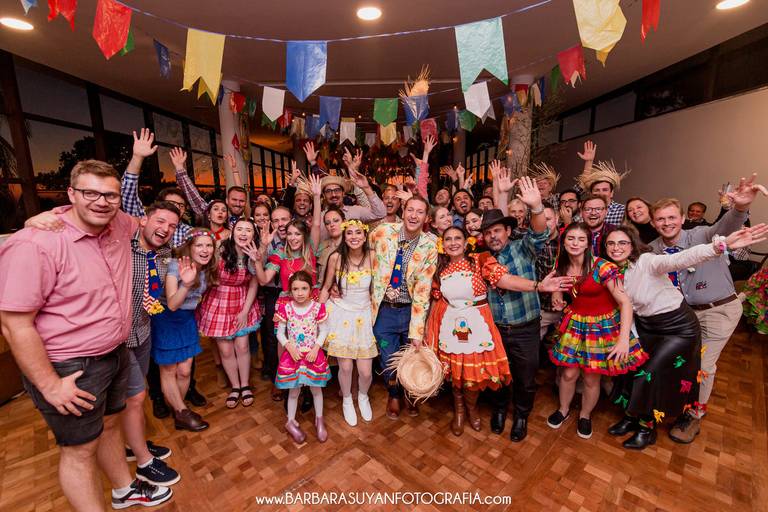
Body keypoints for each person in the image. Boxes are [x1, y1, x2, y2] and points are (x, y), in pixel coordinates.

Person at [0, 159, 172, 510]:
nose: (101, 202)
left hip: (116, 352)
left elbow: (150, 219)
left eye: (110, 195)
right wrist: (50, 385)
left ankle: (124, 489)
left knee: (109, 426)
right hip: (70, 367)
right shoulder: (36, 243)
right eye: (90, 193)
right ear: (71, 194)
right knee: (79, 451)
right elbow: (14, 323)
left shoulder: (121, 224)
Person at [604, 224, 767, 449]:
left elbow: (681, 259)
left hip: (678, 328)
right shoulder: (611, 272)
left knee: (649, 374)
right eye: (611, 243)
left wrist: (720, 246)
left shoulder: (647, 261)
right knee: (634, 369)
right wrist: (629, 338)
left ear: (632, 245)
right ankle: (631, 417)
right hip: (648, 327)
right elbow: (627, 308)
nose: (616, 248)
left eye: (622, 242)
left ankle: (646, 428)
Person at [648, 176, 764, 443]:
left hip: (719, 310)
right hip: (683, 315)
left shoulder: (701, 235)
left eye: (672, 217)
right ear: (653, 223)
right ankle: (677, 402)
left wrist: (740, 208)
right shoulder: (652, 250)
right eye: (660, 219)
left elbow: (726, 226)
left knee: (704, 365)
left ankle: (694, 415)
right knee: (681, 361)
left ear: (681, 218)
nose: (667, 223)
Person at [425, 226, 570, 437]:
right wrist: (429, 330)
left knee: (473, 374)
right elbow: (436, 300)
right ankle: (459, 412)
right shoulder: (439, 268)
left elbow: (505, 280)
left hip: (477, 327)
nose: (453, 243)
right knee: (455, 372)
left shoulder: (480, 260)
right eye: (448, 239)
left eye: (458, 238)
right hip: (450, 327)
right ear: (442, 244)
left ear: (466, 243)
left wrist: (537, 285)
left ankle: (472, 410)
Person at [547, 223, 647, 440]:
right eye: (571, 238)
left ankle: (585, 415)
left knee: (591, 378)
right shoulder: (560, 264)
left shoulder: (603, 267)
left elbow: (625, 303)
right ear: (563, 242)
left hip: (601, 327)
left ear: (588, 243)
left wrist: (623, 340)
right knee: (568, 373)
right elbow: (558, 288)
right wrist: (557, 298)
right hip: (575, 323)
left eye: (581, 239)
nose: (575, 243)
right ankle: (563, 410)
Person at [482, 167, 550, 443]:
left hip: (525, 327)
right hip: (496, 328)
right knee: (499, 373)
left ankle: (521, 415)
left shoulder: (523, 247)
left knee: (525, 377)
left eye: (497, 231)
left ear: (508, 231)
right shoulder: (483, 257)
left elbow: (540, 233)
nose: (493, 236)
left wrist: (536, 207)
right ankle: (499, 409)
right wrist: (501, 193)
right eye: (488, 233)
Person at [369, 196, 438, 419]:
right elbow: (359, 251)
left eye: (420, 212)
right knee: (388, 358)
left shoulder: (429, 246)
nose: (413, 215)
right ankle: (394, 394)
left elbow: (423, 290)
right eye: (410, 210)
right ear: (403, 211)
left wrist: (417, 331)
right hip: (383, 311)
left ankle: (410, 391)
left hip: (409, 311)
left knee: (410, 356)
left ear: (426, 218)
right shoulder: (382, 232)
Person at [153, 229, 219, 432]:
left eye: (209, 245)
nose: (205, 250)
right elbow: (172, 304)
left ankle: (178, 409)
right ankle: (182, 412)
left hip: (187, 320)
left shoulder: (207, 268)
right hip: (166, 318)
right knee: (169, 370)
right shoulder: (175, 265)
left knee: (185, 371)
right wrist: (187, 284)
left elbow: (198, 298)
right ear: (189, 247)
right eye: (199, 245)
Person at [196, 218, 262, 409]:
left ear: (254, 235)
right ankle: (235, 387)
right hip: (218, 302)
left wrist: (245, 311)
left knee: (242, 346)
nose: (243, 233)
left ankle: (245, 385)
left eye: (248, 230)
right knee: (225, 350)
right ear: (232, 232)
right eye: (239, 229)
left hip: (242, 300)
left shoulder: (254, 253)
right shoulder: (219, 249)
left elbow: (254, 284)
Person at [320, 219, 378, 426]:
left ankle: (363, 396)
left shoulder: (373, 256)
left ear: (365, 236)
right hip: (341, 314)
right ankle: (346, 400)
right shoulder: (336, 258)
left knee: (365, 371)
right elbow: (326, 287)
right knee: (345, 368)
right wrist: (315, 314)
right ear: (344, 237)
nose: (354, 237)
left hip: (364, 315)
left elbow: (379, 286)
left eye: (358, 233)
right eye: (349, 233)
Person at [275, 271, 332, 443]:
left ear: (311, 289)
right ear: (290, 290)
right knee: (294, 391)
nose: (299, 293)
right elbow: (280, 333)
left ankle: (319, 419)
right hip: (294, 355)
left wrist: (316, 348)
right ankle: (290, 421)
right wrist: (288, 346)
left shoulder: (317, 308)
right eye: (295, 289)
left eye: (304, 288)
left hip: (312, 355)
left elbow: (324, 330)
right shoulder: (286, 308)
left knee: (316, 389)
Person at [174, 152, 247, 228]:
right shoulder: (217, 213)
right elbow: (196, 199)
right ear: (227, 200)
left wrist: (235, 170)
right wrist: (180, 169)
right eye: (234, 200)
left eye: (242, 201)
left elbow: (240, 193)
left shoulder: (244, 219)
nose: (238, 203)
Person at [576, 141, 628, 225]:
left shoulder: (622, 211)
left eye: (605, 190)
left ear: (612, 193)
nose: (600, 193)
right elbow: (578, 189)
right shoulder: (583, 213)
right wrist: (589, 162)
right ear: (591, 193)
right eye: (596, 190)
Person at [316, 207, 345, 287]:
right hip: (321, 291)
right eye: (327, 223)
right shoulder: (322, 246)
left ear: (344, 222)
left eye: (336, 221)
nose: (332, 225)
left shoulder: (352, 245)